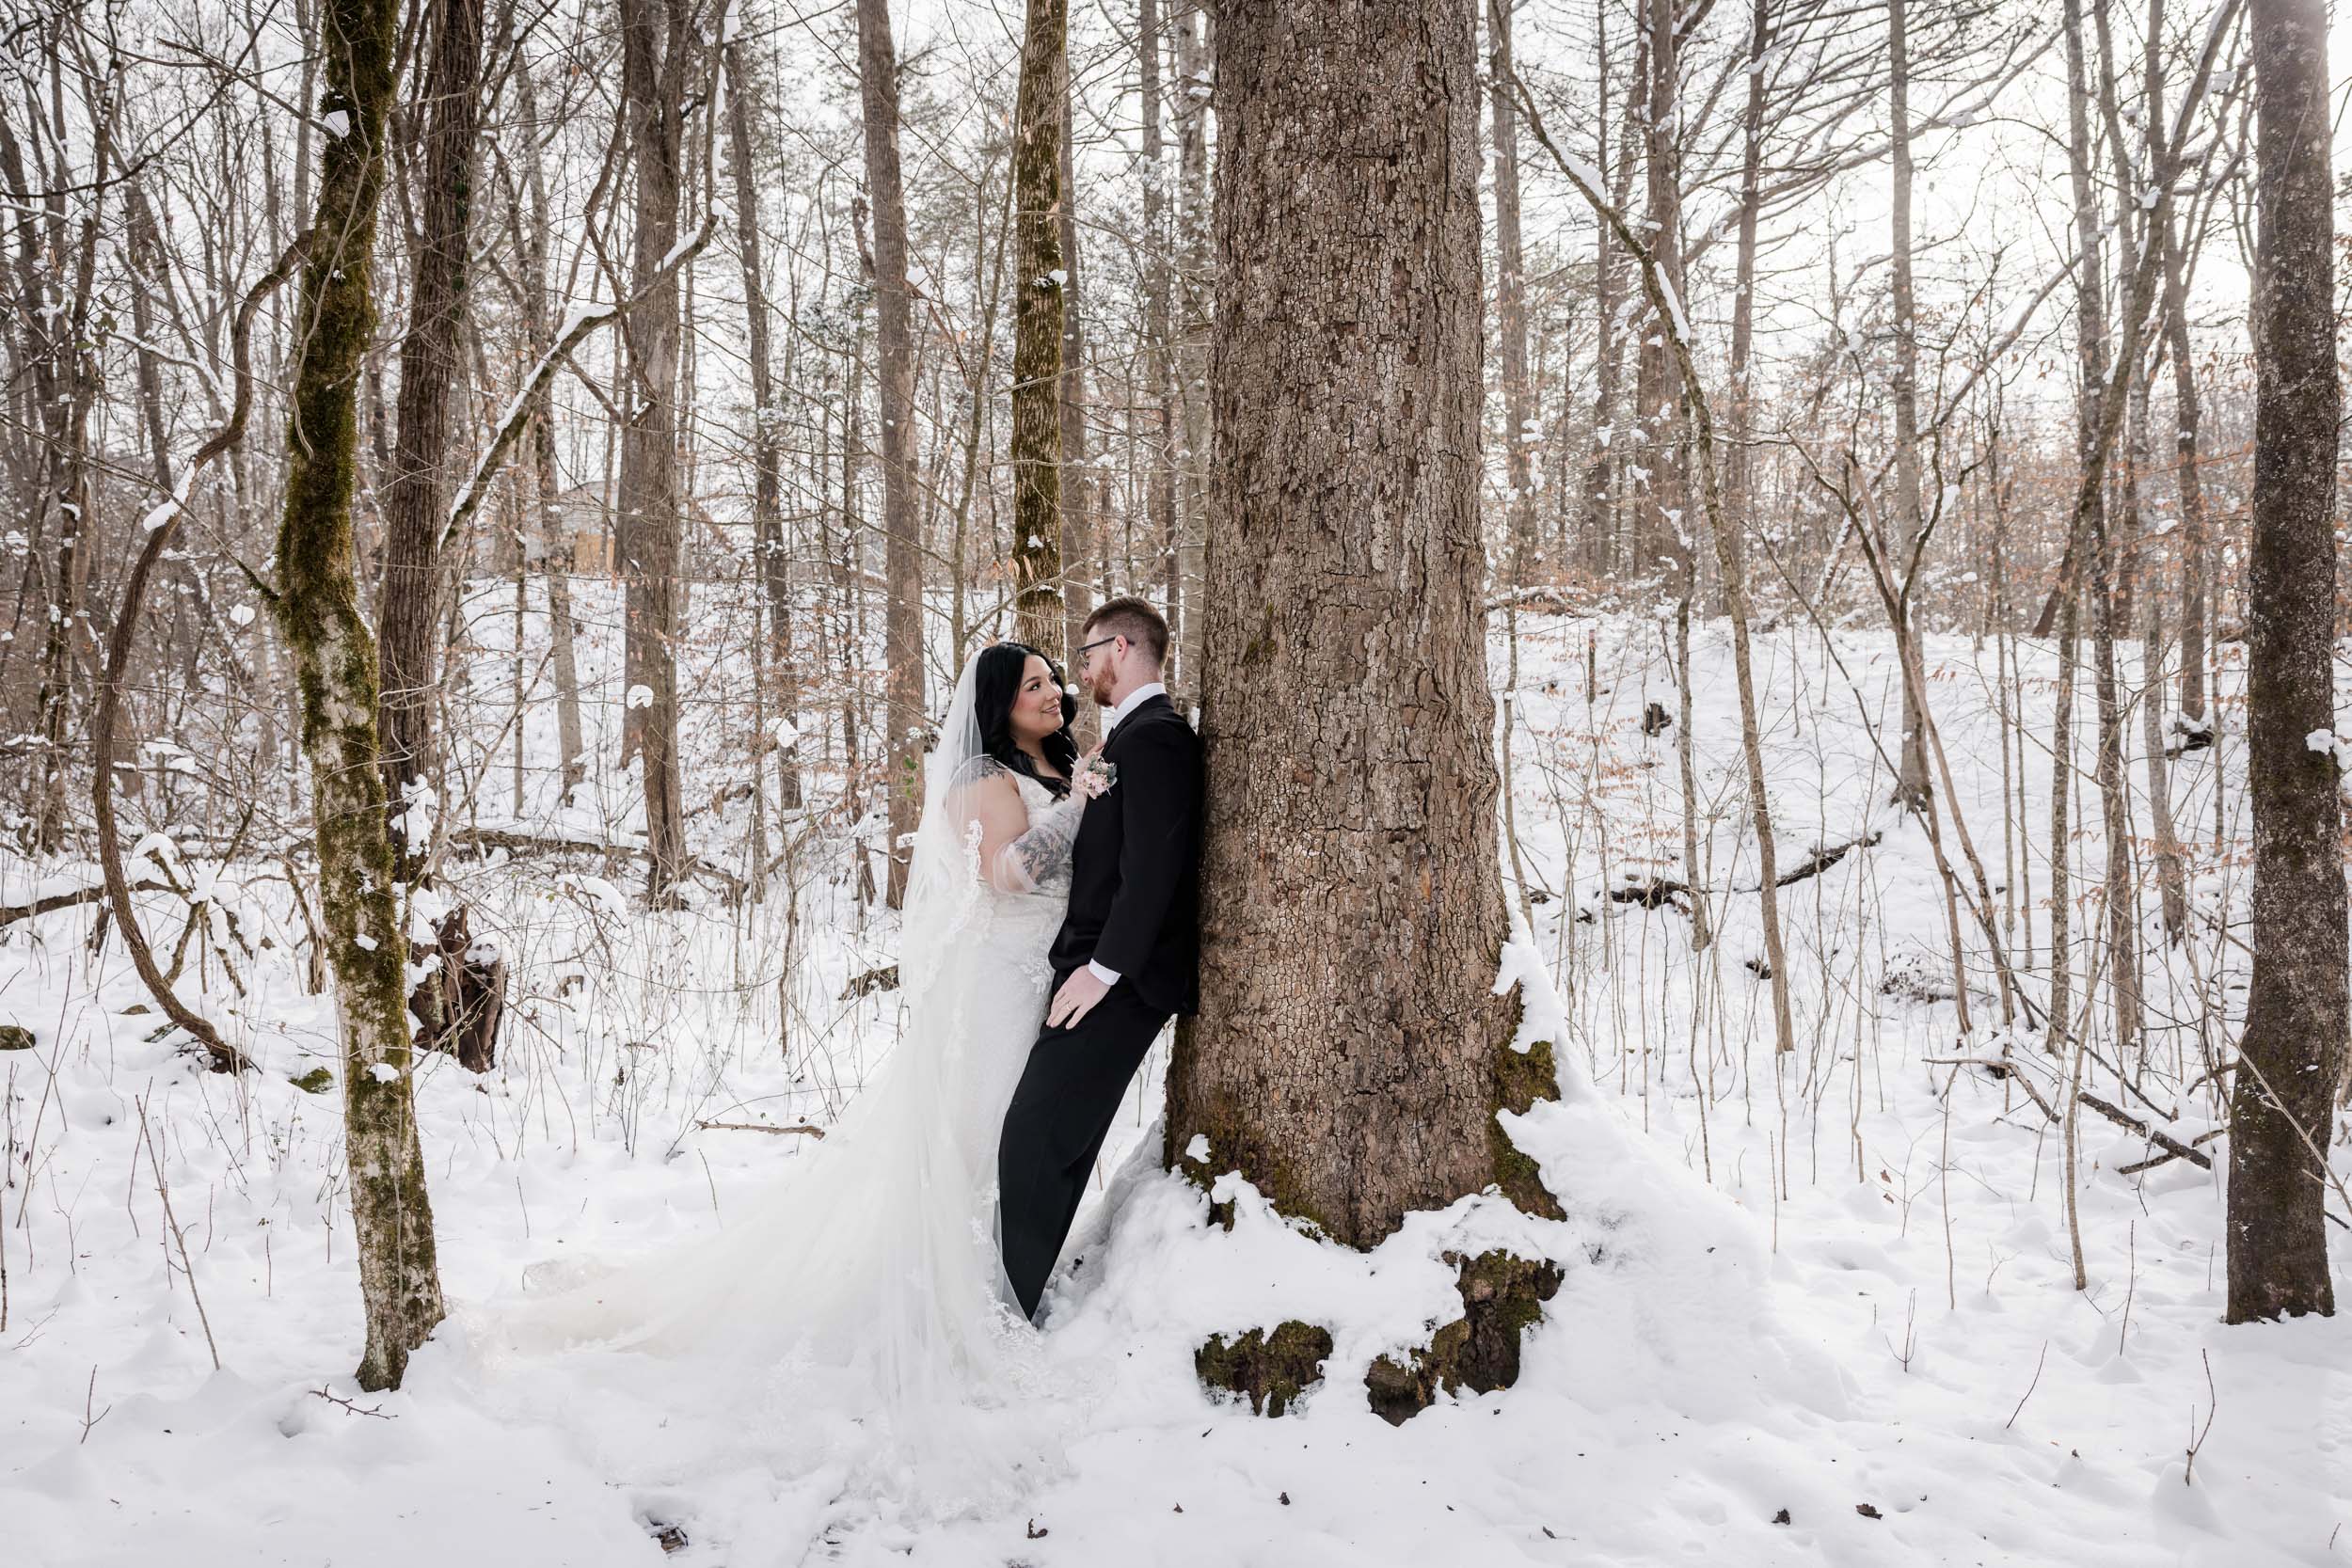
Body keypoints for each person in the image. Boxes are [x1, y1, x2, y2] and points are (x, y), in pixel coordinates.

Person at [456, 640, 1096, 1516]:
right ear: (999, 703)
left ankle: (997, 1275)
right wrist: (1080, 806)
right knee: (977, 1135)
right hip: (995, 983)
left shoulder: (1050, 767)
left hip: (1039, 975)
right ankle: (962, 1297)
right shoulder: (978, 777)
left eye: (1053, 679)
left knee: (1005, 1137)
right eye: (1033, 685)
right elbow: (1008, 872)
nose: (1053, 691)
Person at [996, 596, 1204, 1321]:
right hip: (1096, 968)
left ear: (1121, 647)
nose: (1080, 674)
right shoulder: (1130, 738)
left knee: (1036, 1134)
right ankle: (1013, 1295)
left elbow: (1153, 870)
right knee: (1048, 1134)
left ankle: (1005, 1308)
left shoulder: (1157, 737)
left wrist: (1104, 969)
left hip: (1121, 977)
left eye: (1086, 658)